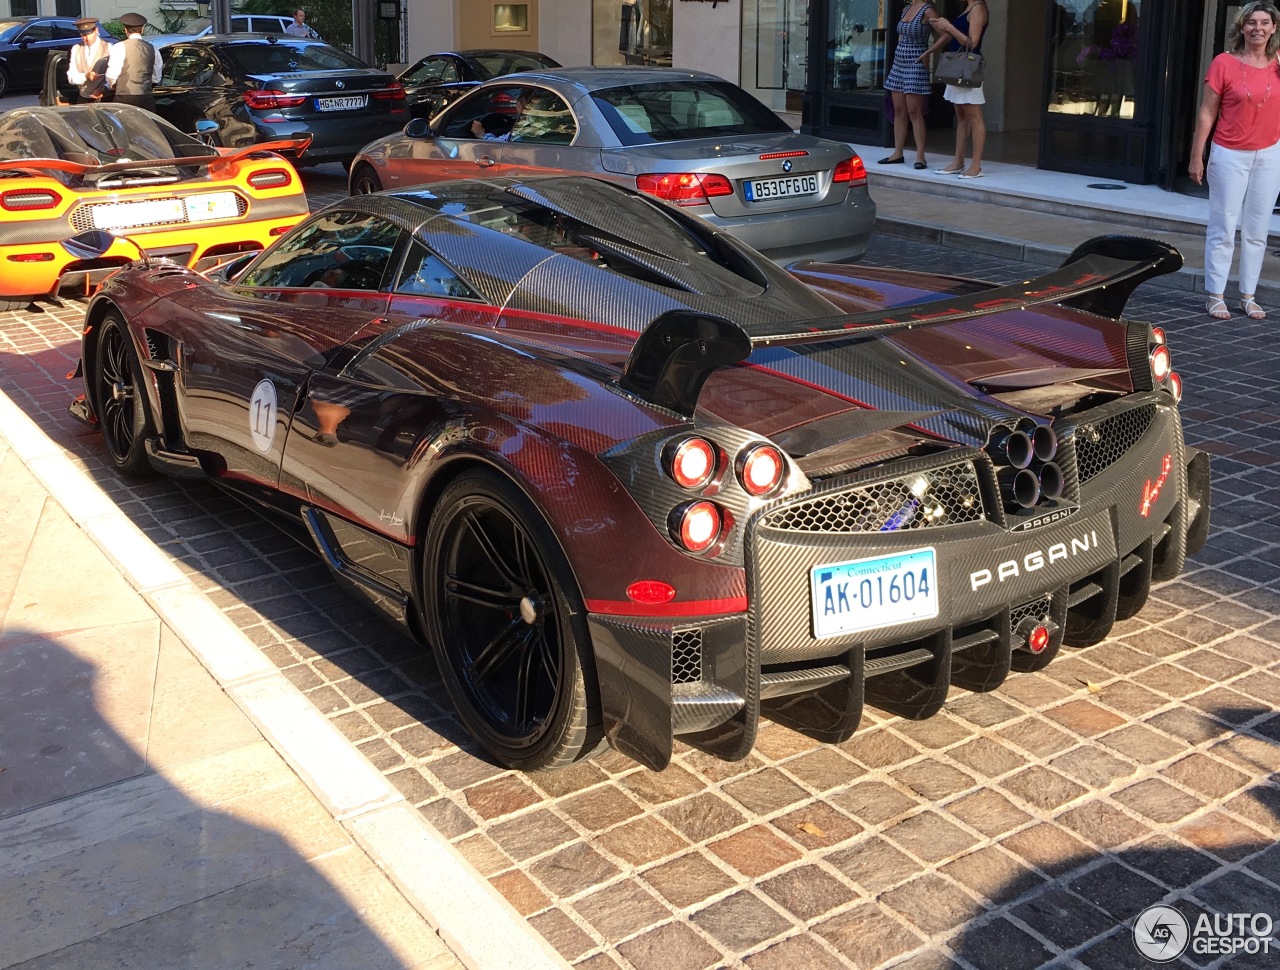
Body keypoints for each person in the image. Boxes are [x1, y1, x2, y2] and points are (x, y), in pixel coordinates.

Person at [1188, 0, 1280, 320]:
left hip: (1269, 154)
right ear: (1241, 27)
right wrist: (1196, 156)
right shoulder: (1224, 63)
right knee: (1224, 226)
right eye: (1251, 22)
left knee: (1257, 229)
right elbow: (1207, 112)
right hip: (1229, 153)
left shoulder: (1279, 63)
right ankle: (1215, 294)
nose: (1258, 28)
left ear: (1274, 28)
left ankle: (1248, 295)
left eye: (1265, 22)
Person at [925, 0, 988, 179]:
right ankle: (958, 161)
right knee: (961, 116)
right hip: (957, 67)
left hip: (968, 68)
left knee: (974, 116)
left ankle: (976, 166)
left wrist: (949, 27)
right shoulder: (968, 8)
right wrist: (943, 27)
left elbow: (972, 43)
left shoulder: (978, 8)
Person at [880, 0, 939, 169]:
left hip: (916, 61)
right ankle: (898, 152)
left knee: (914, 111)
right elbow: (901, 34)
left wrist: (929, 51)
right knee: (899, 109)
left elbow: (944, 34)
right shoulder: (906, 8)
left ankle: (920, 156)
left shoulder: (928, 11)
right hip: (899, 61)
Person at [105, 12, 162, 111]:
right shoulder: (153, 48)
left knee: (124, 125)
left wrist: (113, 84)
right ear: (142, 29)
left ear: (125, 30)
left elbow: (112, 74)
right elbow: (157, 76)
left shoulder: (119, 47)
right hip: (146, 97)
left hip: (124, 97)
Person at [66, 17, 111, 102]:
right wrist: (86, 76)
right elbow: (71, 77)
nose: (87, 39)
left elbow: (115, 75)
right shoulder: (76, 49)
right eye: (83, 35)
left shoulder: (109, 47)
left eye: (89, 34)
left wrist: (104, 88)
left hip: (104, 99)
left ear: (96, 31)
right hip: (84, 98)